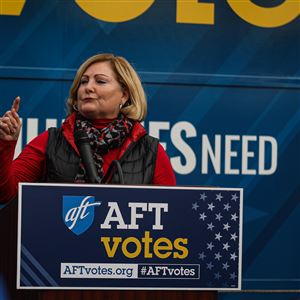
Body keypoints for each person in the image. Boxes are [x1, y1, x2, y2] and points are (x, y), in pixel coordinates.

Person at [0, 53, 176, 204]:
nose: (88, 88)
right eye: (83, 82)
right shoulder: (51, 141)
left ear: (124, 94)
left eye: (100, 81)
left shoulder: (149, 150)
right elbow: (6, 194)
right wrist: (5, 144)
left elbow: (172, 209)